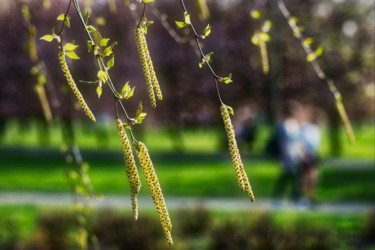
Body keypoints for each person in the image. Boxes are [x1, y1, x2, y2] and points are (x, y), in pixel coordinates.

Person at [271, 100, 305, 203]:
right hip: (289, 155)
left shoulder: (290, 124)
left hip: (294, 155)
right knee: (289, 177)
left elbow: (297, 141)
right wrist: (286, 156)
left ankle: (286, 198)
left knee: (290, 177)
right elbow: (283, 142)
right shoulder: (284, 125)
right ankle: (292, 198)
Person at [300, 107, 322, 204]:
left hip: (312, 154)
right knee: (305, 177)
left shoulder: (314, 129)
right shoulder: (304, 127)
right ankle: (305, 196)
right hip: (305, 155)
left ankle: (311, 196)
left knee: (312, 176)